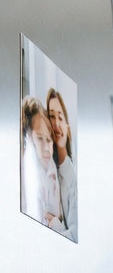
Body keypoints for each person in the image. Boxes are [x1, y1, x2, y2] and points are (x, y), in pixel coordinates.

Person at [20, 96, 65, 233]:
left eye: (49, 139)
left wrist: (56, 222)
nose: (47, 147)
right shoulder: (29, 171)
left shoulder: (54, 170)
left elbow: (60, 217)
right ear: (29, 138)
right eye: (40, 138)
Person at [46, 88, 77, 242]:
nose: (56, 124)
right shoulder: (47, 170)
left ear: (68, 128)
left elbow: (74, 235)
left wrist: (53, 224)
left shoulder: (74, 178)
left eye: (60, 117)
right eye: (51, 116)